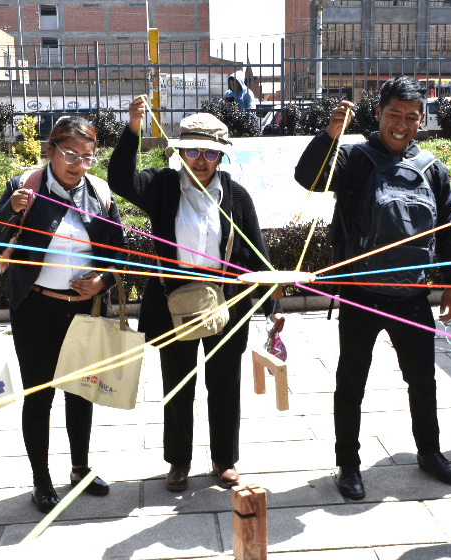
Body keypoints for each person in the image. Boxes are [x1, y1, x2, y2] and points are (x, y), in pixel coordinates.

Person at [294, 76, 451, 500]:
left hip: (412, 296)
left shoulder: (432, 168)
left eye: (411, 117)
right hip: (361, 294)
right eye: (394, 115)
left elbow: (447, 228)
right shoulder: (355, 158)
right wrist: (330, 133)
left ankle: (429, 452)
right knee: (351, 382)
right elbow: (309, 179)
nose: (402, 125)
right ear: (379, 114)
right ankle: (347, 464)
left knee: (423, 380)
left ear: (421, 119)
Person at [108, 100, 284, 492]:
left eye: (209, 152)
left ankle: (224, 460)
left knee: (223, 383)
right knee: (178, 383)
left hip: (223, 301)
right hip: (174, 302)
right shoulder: (163, 186)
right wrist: (133, 128)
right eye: (191, 150)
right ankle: (179, 462)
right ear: (179, 152)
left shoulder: (236, 197)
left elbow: (256, 252)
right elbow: (119, 179)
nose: (200, 160)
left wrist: (272, 304)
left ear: (221, 156)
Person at [0, 116, 127, 513]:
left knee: (81, 392)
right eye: (69, 155)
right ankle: (41, 479)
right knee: (39, 396)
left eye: (87, 157)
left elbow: (120, 251)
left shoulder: (99, 193)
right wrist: (10, 212)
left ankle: (80, 469)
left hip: (84, 307)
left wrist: (102, 281)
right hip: (36, 308)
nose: (78, 165)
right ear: (49, 150)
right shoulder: (24, 187)